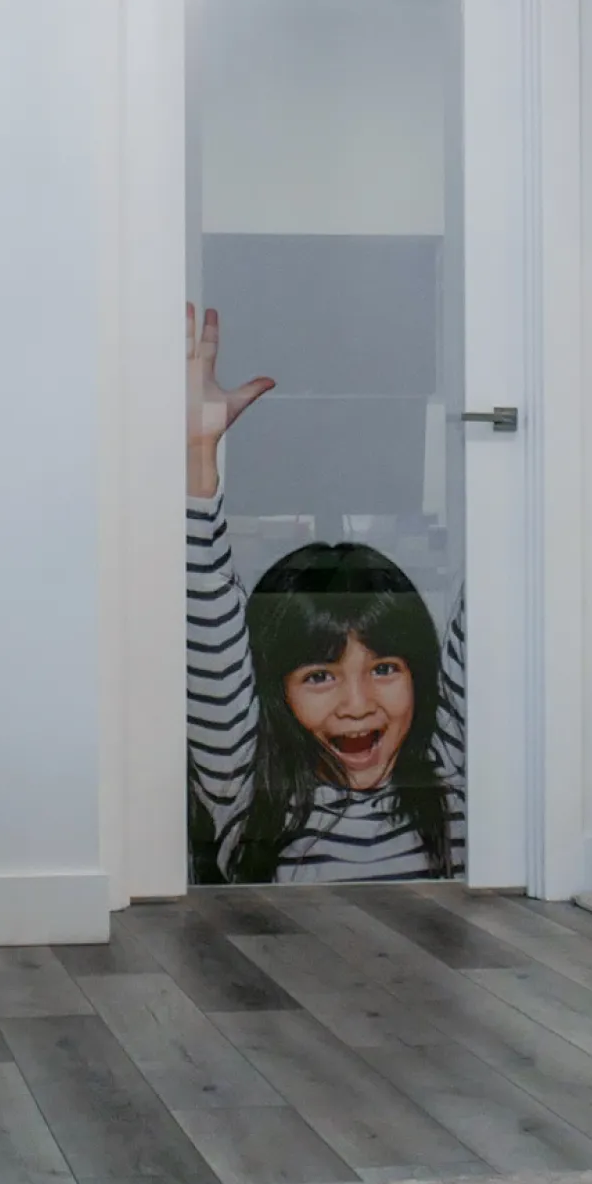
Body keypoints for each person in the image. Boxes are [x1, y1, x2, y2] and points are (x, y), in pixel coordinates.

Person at [185, 304, 466, 882]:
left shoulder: (450, 767)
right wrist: (196, 454)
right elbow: (206, 606)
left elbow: (509, 583)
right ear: (274, 689)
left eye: (385, 667)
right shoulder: (244, 780)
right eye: (319, 676)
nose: (357, 704)